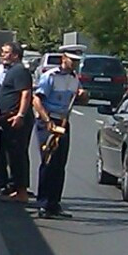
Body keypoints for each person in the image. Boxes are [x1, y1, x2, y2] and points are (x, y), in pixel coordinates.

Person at [32, 51, 85, 218]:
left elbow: (79, 99)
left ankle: (54, 204)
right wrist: (47, 120)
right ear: (63, 59)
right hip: (48, 121)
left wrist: (84, 95)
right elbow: (36, 100)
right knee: (49, 161)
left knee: (60, 163)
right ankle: (43, 204)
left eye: (77, 61)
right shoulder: (51, 76)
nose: (75, 64)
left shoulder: (74, 78)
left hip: (63, 122)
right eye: (72, 60)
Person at [0, 43, 35, 200]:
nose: (3, 54)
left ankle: (21, 191)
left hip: (16, 119)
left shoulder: (20, 71)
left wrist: (20, 115)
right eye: (2, 52)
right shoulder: (11, 71)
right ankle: (14, 187)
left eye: (6, 52)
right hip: (7, 119)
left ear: (15, 55)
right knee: (11, 154)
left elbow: (26, 94)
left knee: (18, 155)